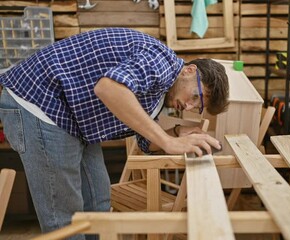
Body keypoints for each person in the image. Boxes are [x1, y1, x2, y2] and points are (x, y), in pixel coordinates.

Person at [0, 27, 229, 238]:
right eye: (196, 96)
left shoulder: (162, 90)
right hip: (40, 102)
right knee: (64, 218)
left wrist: (177, 132)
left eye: (197, 107)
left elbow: (145, 141)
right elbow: (108, 88)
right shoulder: (161, 62)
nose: (189, 106)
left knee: (98, 200)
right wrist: (168, 142)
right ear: (189, 71)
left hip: (72, 116)